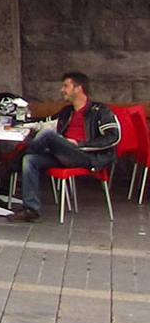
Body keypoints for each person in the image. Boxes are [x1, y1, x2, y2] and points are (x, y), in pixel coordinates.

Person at [10, 72, 122, 223]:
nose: (62, 90)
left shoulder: (100, 110)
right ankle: (32, 210)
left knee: (48, 135)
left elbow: (113, 137)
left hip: (87, 156)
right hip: (64, 154)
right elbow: (43, 122)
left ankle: (11, 166)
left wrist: (81, 144)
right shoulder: (66, 112)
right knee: (30, 160)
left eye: (65, 86)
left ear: (78, 88)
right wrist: (17, 125)